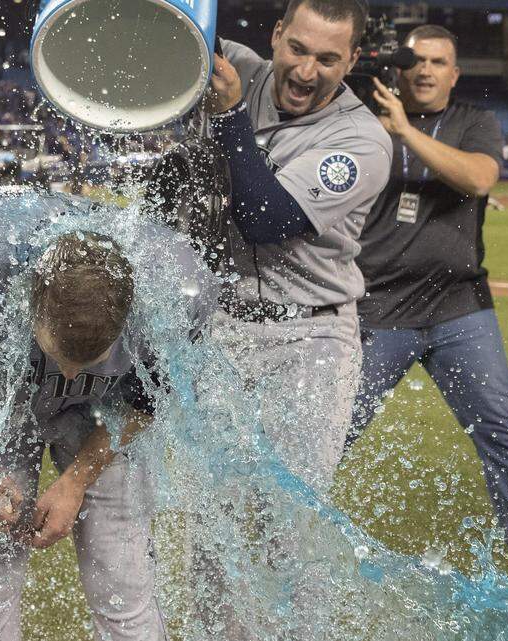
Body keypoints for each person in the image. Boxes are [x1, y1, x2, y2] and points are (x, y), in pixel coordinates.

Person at [0, 192, 218, 641]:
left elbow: (146, 400)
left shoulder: (176, 287)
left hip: (107, 406)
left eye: (90, 360)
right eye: (60, 354)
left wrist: (77, 480)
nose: (69, 374)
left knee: (123, 580)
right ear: (30, 304)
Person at [347, 24, 508, 580]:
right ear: (397, 68)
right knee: (329, 433)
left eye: (438, 62)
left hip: (459, 309)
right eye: (416, 61)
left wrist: (403, 130)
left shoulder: (475, 123)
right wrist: (384, 126)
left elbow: (479, 177)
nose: (425, 71)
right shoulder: (359, 122)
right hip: (376, 308)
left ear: (454, 72)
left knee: (503, 435)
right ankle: (271, 540)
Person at [204, 0, 392, 498]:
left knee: (285, 533)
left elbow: (265, 220)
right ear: (276, 34)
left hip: (308, 339)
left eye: (328, 59)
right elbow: (171, 29)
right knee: (214, 533)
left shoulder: (363, 139)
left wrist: (230, 115)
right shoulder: (239, 69)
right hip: (223, 333)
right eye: (298, 49)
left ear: (352, 60)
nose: (307, 71)